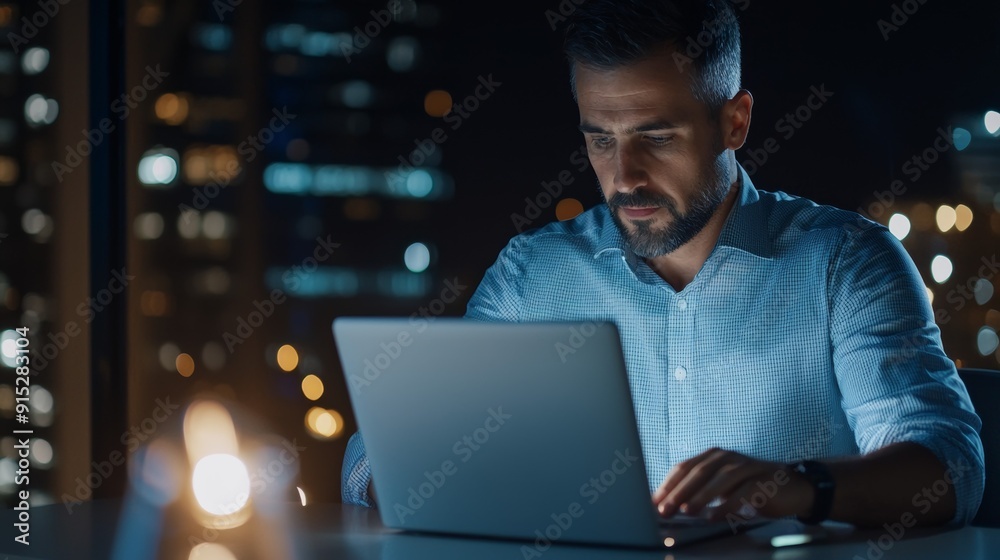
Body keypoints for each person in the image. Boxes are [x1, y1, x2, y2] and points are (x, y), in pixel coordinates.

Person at [343, 0, 984, 527]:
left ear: (735, 122)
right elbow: (372, 457)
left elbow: (949, 470)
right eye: (601, 139)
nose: (625, 177)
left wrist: (796, 487)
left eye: (655, 137)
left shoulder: (846, 265)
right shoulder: (533, 277)